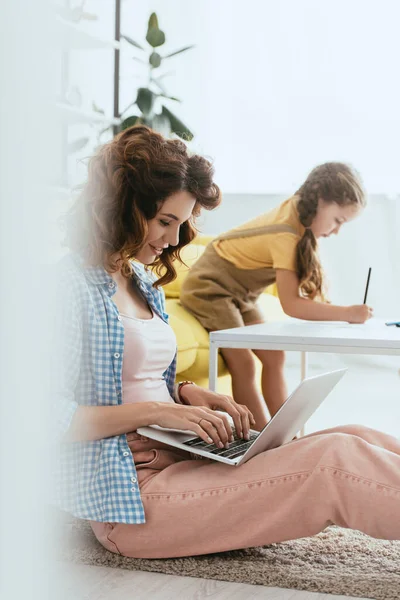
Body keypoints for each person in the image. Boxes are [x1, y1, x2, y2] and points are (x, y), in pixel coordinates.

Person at [54, 126, 400, 560]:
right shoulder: (67, 290)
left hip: (184, 458)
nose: (175, 239)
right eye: (165, 221)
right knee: (333, 462)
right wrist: (161, 412)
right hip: (133, 499)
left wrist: (185, 393)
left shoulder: (142, 282)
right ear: (120, 208)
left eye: (181, 224)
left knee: (355, 434)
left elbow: (131, 376)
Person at [181, 163, 373, 429]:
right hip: (210, 287)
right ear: (320, 200)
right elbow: (292, 305)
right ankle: (261, 439)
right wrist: (348, 314)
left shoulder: (300, 213)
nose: (337, 230)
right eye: (338, 220)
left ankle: (284, 434)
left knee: (275, 357)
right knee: (244, 364)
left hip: (241, 292)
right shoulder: (287, 233)